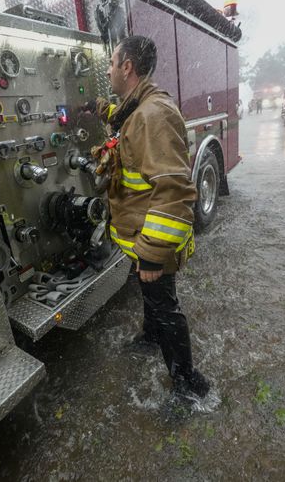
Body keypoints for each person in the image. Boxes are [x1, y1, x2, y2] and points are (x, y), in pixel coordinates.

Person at [97, 35, 211, 399]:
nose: (109, 70)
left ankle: (189, 386)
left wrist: (152, 249)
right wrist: (98, 108)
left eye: (112, 65)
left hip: (150, 236)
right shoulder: (137, 106)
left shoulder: (152, 115)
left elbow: (175, 190)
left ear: (127, 67)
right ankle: (150, 337)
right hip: (139, 232)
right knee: (151, 292)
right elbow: (122, 119)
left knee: (165, 304)